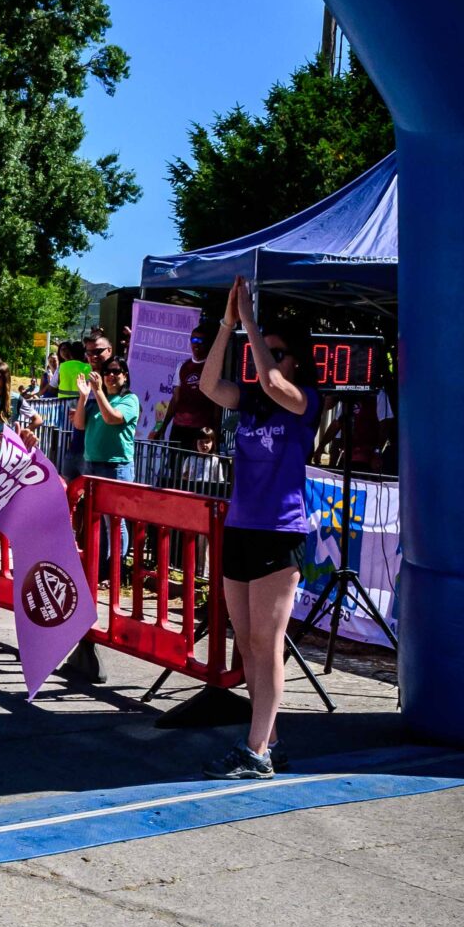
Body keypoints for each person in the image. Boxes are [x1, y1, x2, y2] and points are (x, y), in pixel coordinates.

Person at [197, 276, 322, 778]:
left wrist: (249, 320)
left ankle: (256, 751)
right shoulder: (250, 400)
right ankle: (269, 738)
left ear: (295, 361)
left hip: (279, 531)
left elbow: (274, 385)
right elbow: (208, 385)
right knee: (246, 642)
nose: (264, 358)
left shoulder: (305, 401)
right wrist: (227, 325)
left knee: (267, 643)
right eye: (262, 350)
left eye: (276, 352)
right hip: (241, 526)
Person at [74, 353, 140, 579]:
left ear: (125, 375)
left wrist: (98, 391)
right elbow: (79, 425)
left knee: (115, 522)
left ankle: (116, 572)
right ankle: (101, 570)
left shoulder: (129, 399)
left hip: (116, 467)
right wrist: (84, 397)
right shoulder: (95, 399)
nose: (110, 376)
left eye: (115, 371)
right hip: (92, 465)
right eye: (107, 372)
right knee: (98, 522)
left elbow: (112, 418)